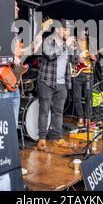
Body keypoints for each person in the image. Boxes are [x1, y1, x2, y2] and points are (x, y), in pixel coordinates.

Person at [37, 19, 75, 151]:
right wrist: (65, 45)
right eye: (66, 29)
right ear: (58, 29)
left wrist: (74, 50)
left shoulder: (66, 43)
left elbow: (73, 62)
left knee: (58, 112)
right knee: (44, 111)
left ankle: (58, 138)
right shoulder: (48, 40)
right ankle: (42, 139)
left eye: (69, 29)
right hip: (47, 81)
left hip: (61, 83)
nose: (68, 32)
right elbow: (50, 55)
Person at [72, 27, 97, 127]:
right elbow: (69, 56)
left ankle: (88, 118)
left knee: (88, 97)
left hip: (88, 74)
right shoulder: (74, 42)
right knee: (77, 97)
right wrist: (77, 58)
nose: (85, 36)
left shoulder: (91, 43)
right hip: (76, 73)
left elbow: (96, 57)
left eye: (86, 34)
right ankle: (80, 118)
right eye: (83, 33)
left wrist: (94, 57)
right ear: (78, 32)